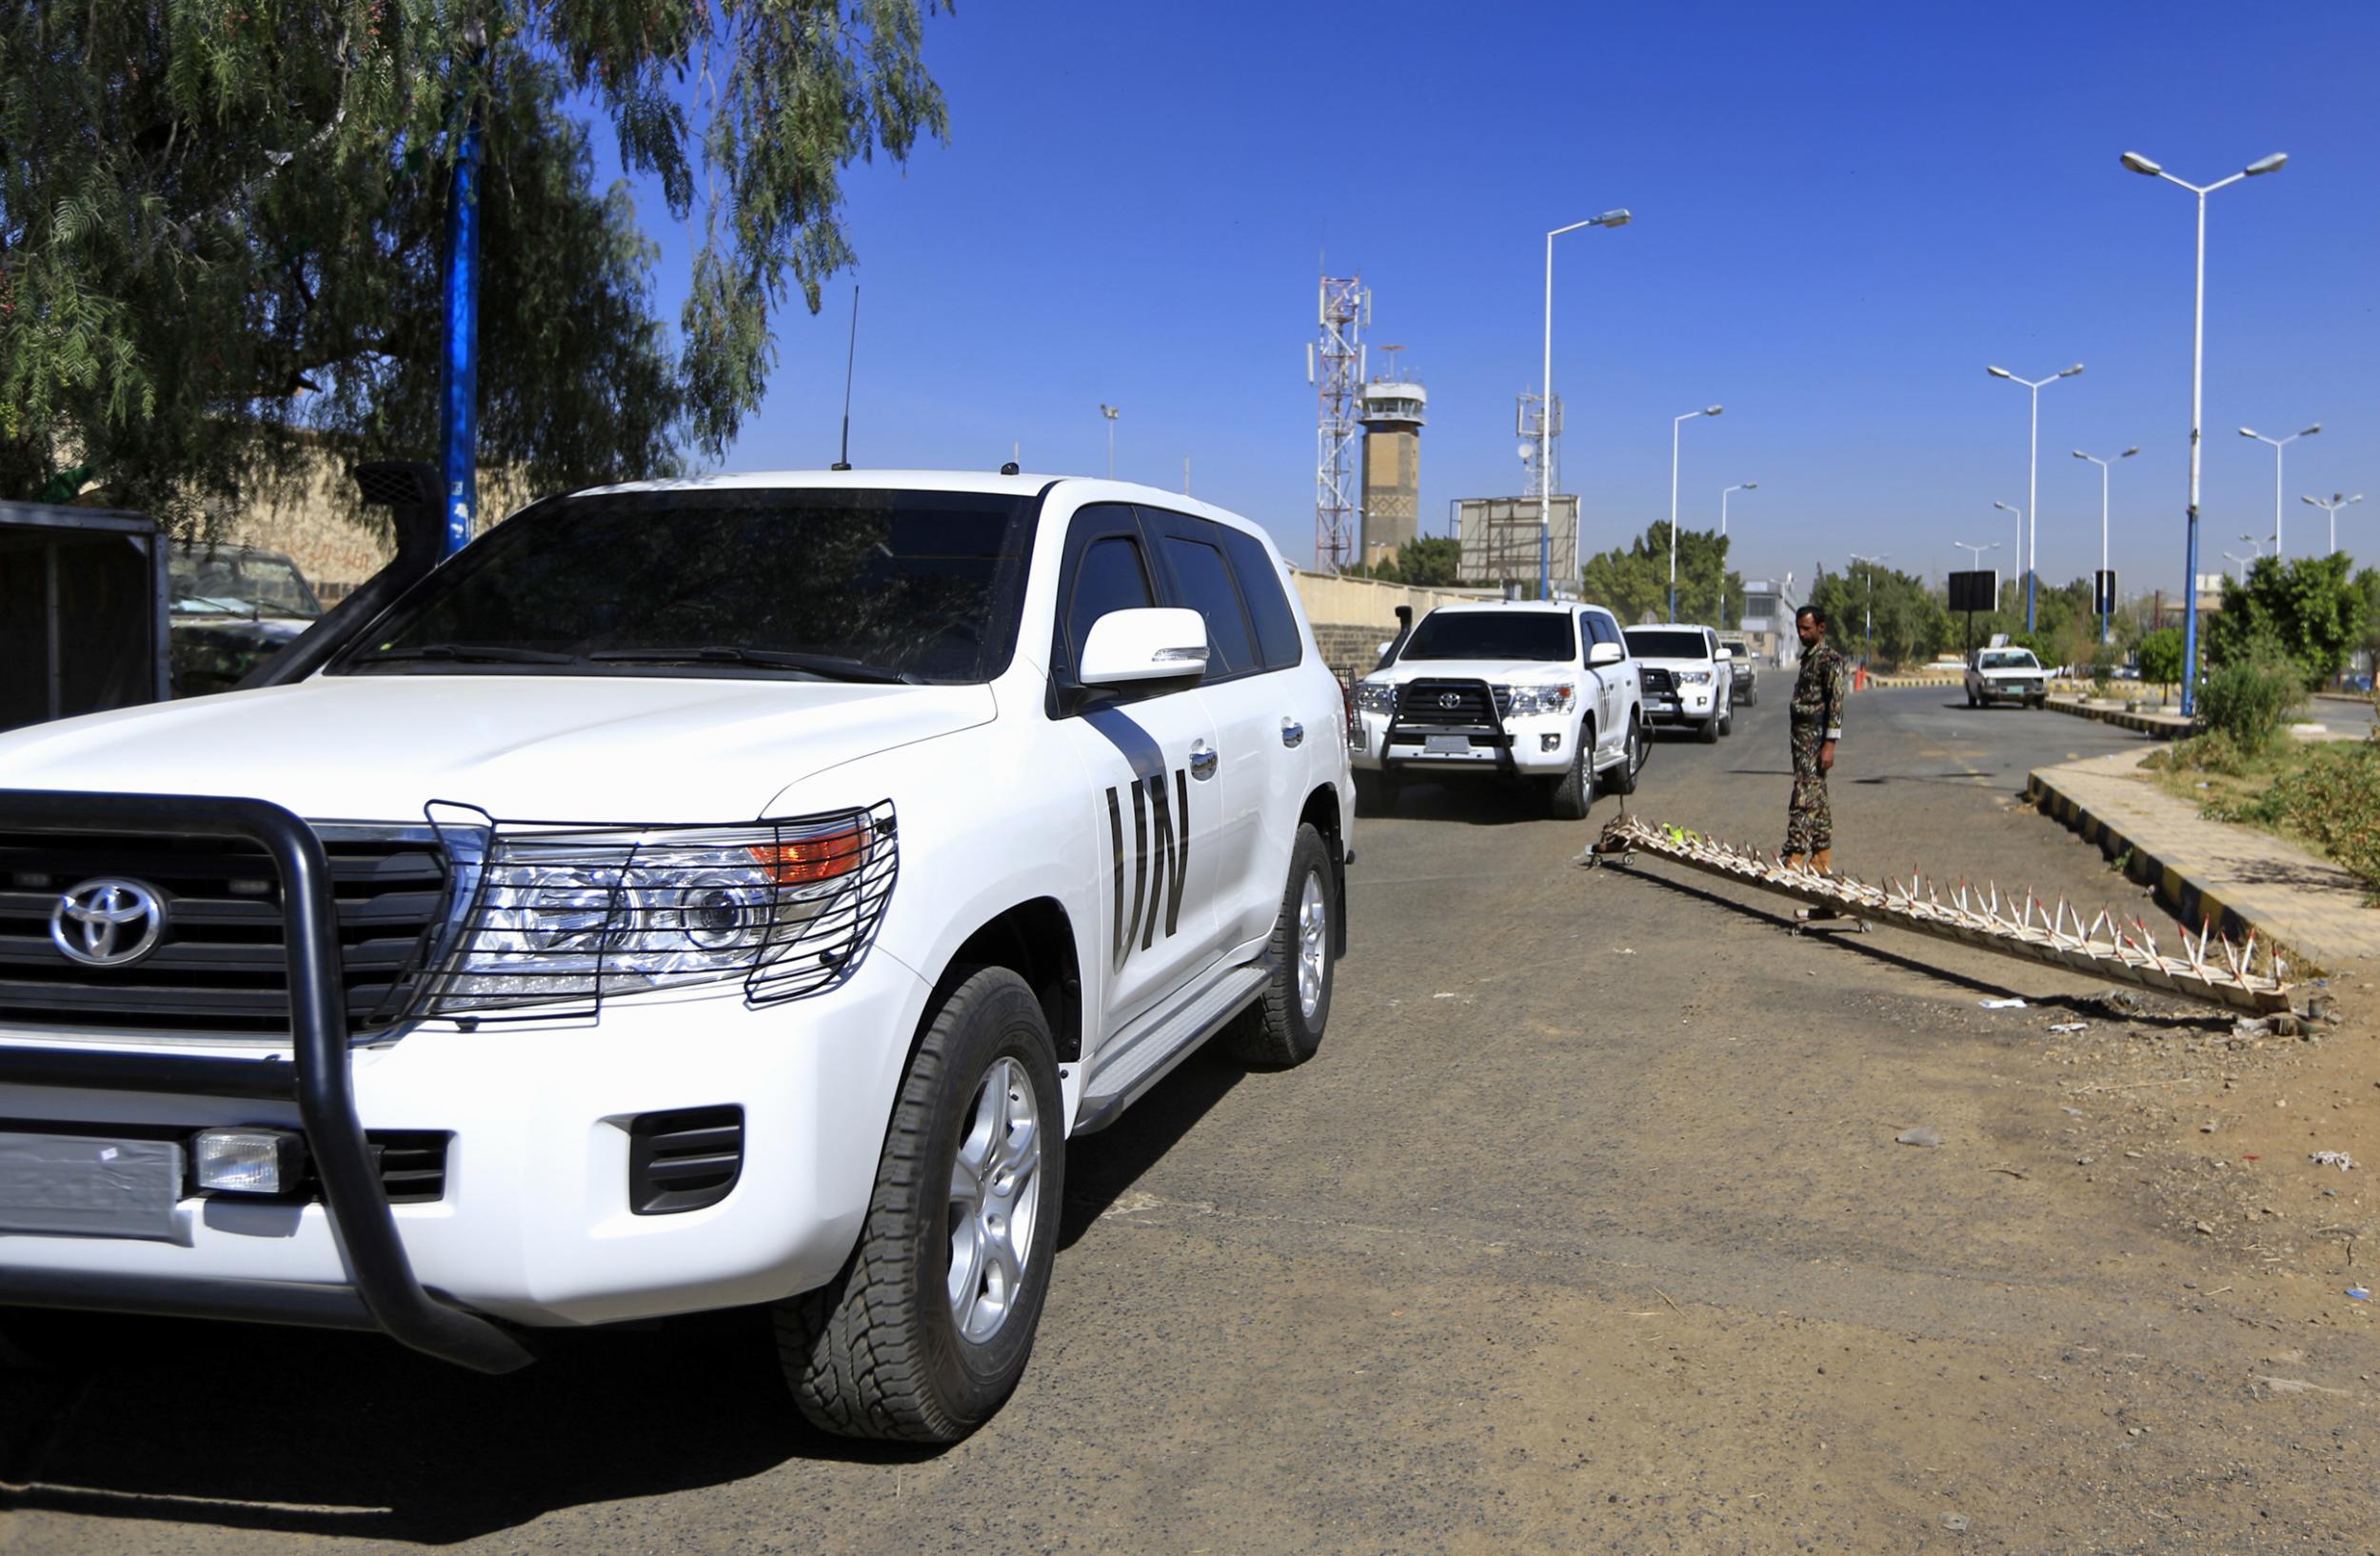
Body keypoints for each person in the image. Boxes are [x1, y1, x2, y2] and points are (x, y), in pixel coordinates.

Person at [1784, 604, 1848, 872]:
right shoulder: (1809, 657)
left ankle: (1794, 855)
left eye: (1806, 628)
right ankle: (1822, 855)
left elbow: (1836, 704)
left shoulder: (1829, 660)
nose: (1801, 633)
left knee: (1804, 796)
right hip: (1801, 738)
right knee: (1817, 797)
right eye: (1799, 628)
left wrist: (1830, 745)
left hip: (1815, 739)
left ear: (1821, 628)